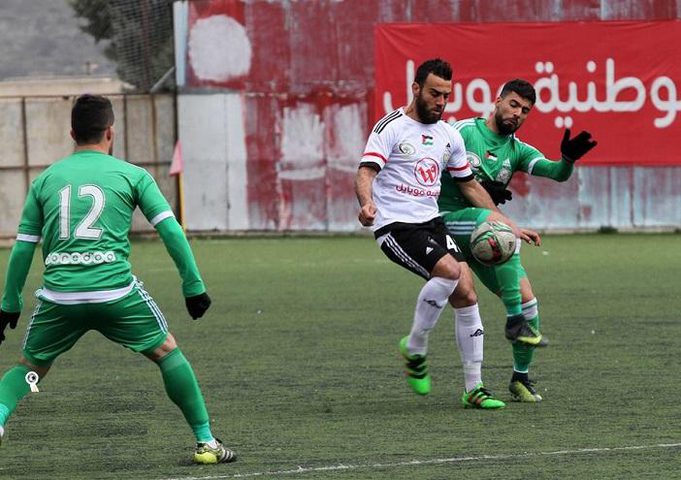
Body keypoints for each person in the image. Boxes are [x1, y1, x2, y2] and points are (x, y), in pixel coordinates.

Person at [0, 94, 235, 464]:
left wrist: (9, 303)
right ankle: (206, 442)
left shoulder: (45, 180)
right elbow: (171, 231)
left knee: (30, 369)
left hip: (61, 298)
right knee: (166, 351)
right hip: (116, 295)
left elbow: (23, 248)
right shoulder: (132, 175)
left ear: (72, 133)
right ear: (110, 132)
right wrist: (193, 286)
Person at [354, 59, 538, 410]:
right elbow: (365, 172)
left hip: (432, 222)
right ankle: (416, 345)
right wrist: (366, 204)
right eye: (435, 94)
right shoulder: (391, 127)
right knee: (452, 271)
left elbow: (470, 186)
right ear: (416, 89)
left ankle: (474, 387)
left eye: (446, 96)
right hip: (395, 224)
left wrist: (505, 224)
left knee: (467, 293)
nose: (441, 102)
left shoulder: (448, 135)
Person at [439, 79, 597, 402]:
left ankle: (520, 378)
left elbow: (555, 173)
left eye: (525, 110)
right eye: (513, 104)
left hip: (482, 233)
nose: (518, 113)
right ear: (497, 101)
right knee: (503, 232)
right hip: (446, 222)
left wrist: (567, 160)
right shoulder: (464, 132)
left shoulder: (517, 150)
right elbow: (430, 167)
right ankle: (513, 322)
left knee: (529, 301)